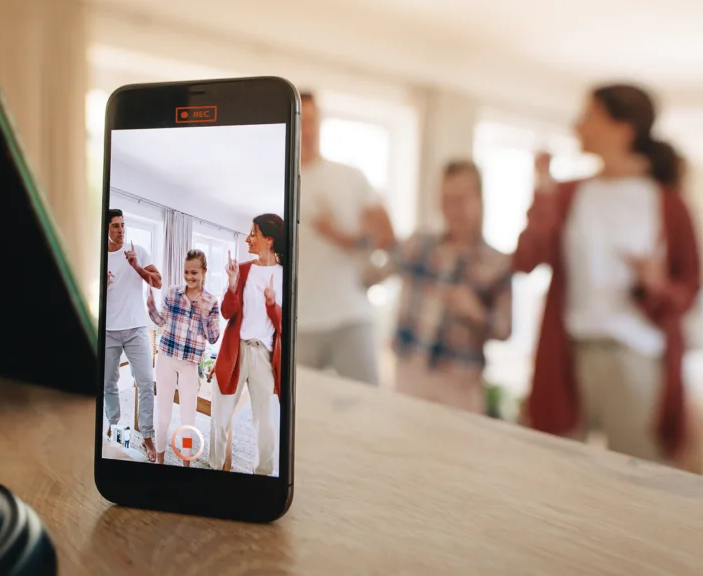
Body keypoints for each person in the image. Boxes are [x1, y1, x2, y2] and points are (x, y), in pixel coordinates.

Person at [514, 84, 702, 466]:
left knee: (638, 480)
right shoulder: (568, 193)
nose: (577, 125)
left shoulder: (667, 203)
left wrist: (656, 286)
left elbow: (691, 289)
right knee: (557, 470)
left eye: (588, 116)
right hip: (568, 355)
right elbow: (527, 259)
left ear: (623, 129)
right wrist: (543, 191)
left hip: (634, 358)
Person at [364, 160, 512, 413]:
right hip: (410, 373)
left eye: (460, 200)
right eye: (446, 200)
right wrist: (375, 239)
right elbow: (370, 277)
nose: (452, 210)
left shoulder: (497, 262)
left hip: (461, 383)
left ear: (479, 199)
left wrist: (475, 312)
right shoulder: (419, 245)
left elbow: (504, 329)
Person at [295, 91, 393, 385]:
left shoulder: (350, 177)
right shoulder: (278, 180)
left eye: (313, 121)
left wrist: (337, 234)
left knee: (367, 408)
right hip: (299, 323)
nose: (307, 130)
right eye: (301, 121)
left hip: (350, 316)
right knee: (298, 416)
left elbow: (386, 238)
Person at [209, 214, 284, 475]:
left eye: (253, 233)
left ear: (269, 239)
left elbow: (284, 326)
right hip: (236, 351)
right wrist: (231, 286)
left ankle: (262, 478)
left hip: (264, 355)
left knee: (267, 427)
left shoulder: (285, 275)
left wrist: (272, 303)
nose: (247, 238)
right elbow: (227, 313)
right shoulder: (241, 270)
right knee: (219, 419)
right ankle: (213, 471)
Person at [147, 249, 221, 467]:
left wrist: (204, 315)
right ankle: (160, 458)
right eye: (186, 272)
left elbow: (214, 337)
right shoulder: (173, 293)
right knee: (163, 414)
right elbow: (160, 321)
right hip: (166, 359)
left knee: (188, 418)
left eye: (194, 273)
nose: (189, 277)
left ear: (204, 272)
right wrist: (150, 305)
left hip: (190, 364)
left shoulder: (210, 301)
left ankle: (186, 463)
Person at [104, 208, 162, 462]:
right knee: (108, 384)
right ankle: (112, 425)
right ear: (106, 228)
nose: (120, 229)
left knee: (147, 382)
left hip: (136, 329)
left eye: (123, 224)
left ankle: (147, 435)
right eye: (115, 225)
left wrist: (136, 266)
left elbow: (157, 282)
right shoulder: (99, 256)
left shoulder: (137, 252)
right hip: (107, 331)